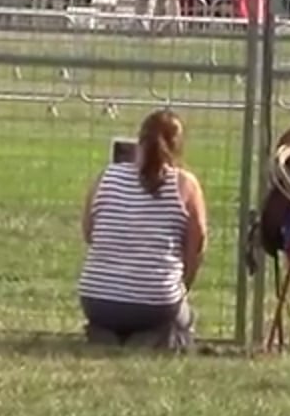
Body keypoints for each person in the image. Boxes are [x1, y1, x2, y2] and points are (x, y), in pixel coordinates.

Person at [77, 110, 209, 350]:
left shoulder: (106, 176)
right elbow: (197, 243)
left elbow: (89, 232)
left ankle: (107, 333)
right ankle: (158, 335)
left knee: (118, 314)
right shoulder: (185, 185)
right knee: (185, 318)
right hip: (156, 302)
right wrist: (182, 286)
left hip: (96, 299)